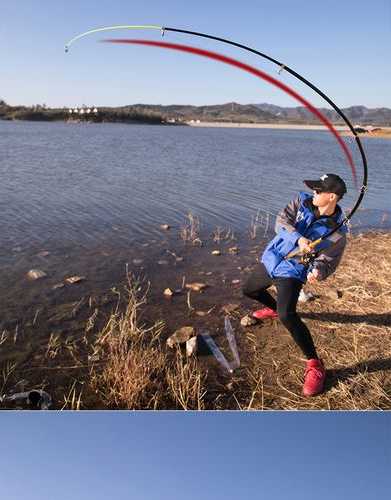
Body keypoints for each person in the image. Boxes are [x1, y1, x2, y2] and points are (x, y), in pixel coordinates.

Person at [242, 173, 348, 396]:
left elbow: (328, 260)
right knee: (249, 289)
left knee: (288, 315)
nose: (314, 193)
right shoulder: (301, 202)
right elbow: (281, 222)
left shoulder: (338, 233)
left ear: (332, 197)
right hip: (273, 259)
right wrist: (298, 239)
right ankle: (273, 309)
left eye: (318, 191)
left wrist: (318, 271)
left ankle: (315, 364)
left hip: (293, 271)